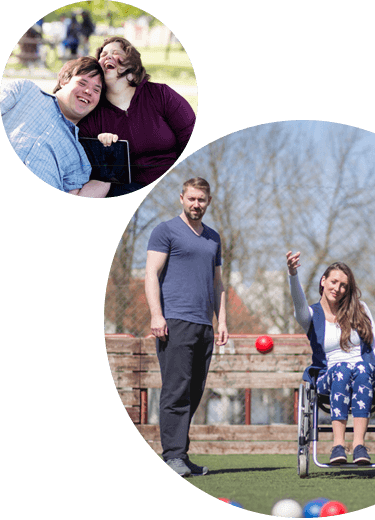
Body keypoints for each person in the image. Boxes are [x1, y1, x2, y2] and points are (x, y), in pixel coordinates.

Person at [287, 251, 375, 465]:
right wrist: (293, 274)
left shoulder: (360, 309)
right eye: (334, 282)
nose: (338, 289)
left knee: (360, 368)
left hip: (366, 375)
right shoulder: (311, 315)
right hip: (329, 377)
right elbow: (298, 303)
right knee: (341, 369)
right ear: (323, 281)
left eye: (343, 286)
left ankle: (359, 445)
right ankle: (337, 445)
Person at [145, 177, 229, 477]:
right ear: (182, 198)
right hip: (175, 321)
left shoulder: (213, 238)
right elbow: (151, 274)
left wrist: (222, 321)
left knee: (193, 392)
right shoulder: (165, 231)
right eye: (191, 198)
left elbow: (218, 282)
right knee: (175, 391)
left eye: (201, 200)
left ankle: (180, 453)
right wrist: (157, 315)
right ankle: (172, 457)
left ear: (208, 201)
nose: (196, 204)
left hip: (204, 324)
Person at [79, 37, 196, 196]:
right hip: (125, 190)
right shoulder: (94, 112)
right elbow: (83, 161)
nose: (108, 57)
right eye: (103, 54)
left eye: (116, 53)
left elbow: (188, 136)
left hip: (173, 184)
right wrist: (100, 149)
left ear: (133, 65)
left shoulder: (160, 94)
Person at [1, 56, 109, 197]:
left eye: (96, 90)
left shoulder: (79, 158)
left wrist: (109, 176)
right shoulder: (24, 91)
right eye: (82, 83)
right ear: (64, 80)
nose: (88, 91)